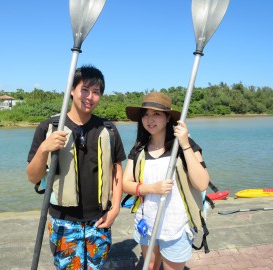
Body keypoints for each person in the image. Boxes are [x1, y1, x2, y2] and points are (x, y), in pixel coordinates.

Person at [27, 65, 126, 269]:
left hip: (99, 220)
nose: (90, 96)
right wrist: (44, 148)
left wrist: (115, 208)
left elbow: (117, 171)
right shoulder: (49, 127)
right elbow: (32, 177)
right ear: (72, 90)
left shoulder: (108, 130)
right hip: (63, 221)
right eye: (85, 89)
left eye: (96, 92)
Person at [122, 92, 210, 270]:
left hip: (176, 224)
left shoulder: (185, 145)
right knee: (152, 265)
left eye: (156, 114)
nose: (150, 119)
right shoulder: (139, 149)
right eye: (145, 114)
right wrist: (151, 188)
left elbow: (202, 183)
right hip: (148, 221)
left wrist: (184, 144)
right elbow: (126, 184)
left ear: (168, 117)